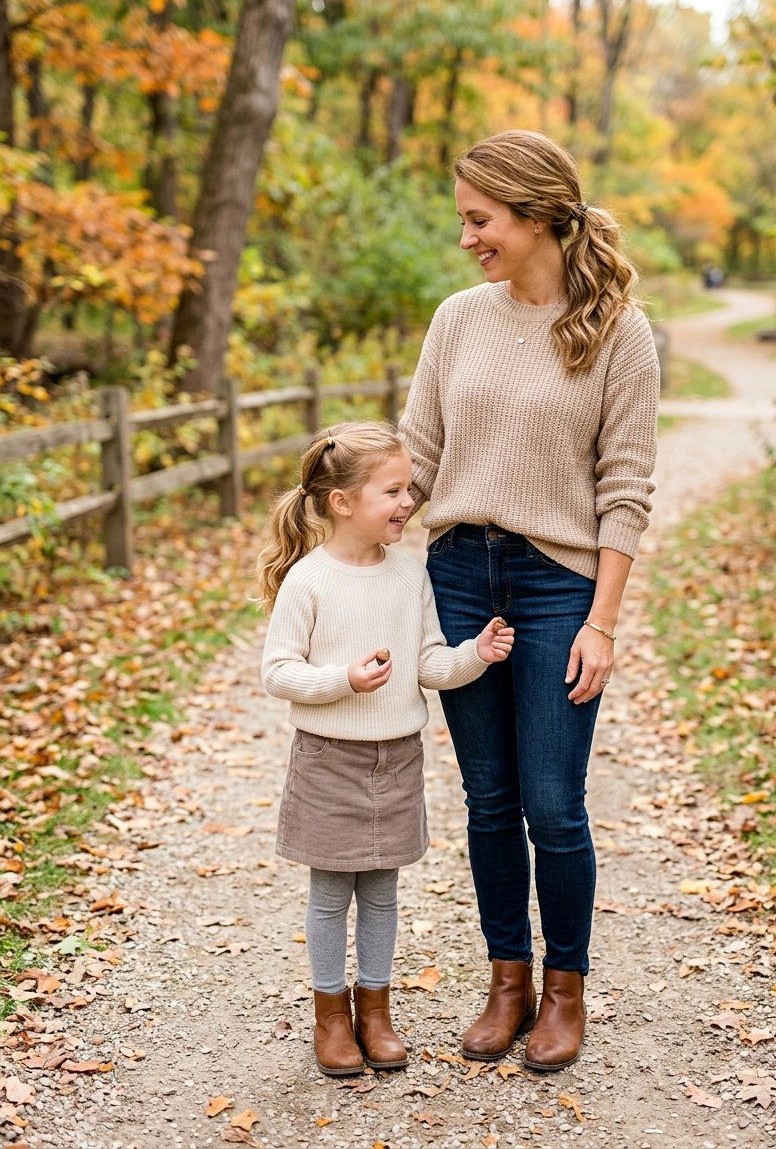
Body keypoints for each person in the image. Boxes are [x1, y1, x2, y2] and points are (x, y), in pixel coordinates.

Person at [399, 129, 659, 1071]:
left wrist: (602, 622)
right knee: (488, 795)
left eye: (480, 219)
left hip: (558, 587)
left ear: (537, 213)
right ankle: (506, 981)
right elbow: (417, 456)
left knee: (553, 803)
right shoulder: (458, 319)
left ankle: (565, 992)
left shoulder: (618, 330)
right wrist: (352, 537)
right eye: (464, 219)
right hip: (460, 575)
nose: (467, 237)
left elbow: (625, 489)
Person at [257, 421, 515, 1079]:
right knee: (328, 893)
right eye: (392, 490)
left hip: (396, 755)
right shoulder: (308, 581)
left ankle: (376, 1009)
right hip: (328, 758)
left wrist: (473, 658)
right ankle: (332, 1016)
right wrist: (342, 680)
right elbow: (277, 672)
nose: (408, 502)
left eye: (410, 489)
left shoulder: (410, 573)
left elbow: (428, 661)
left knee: (381, 892)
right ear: (342, 502)